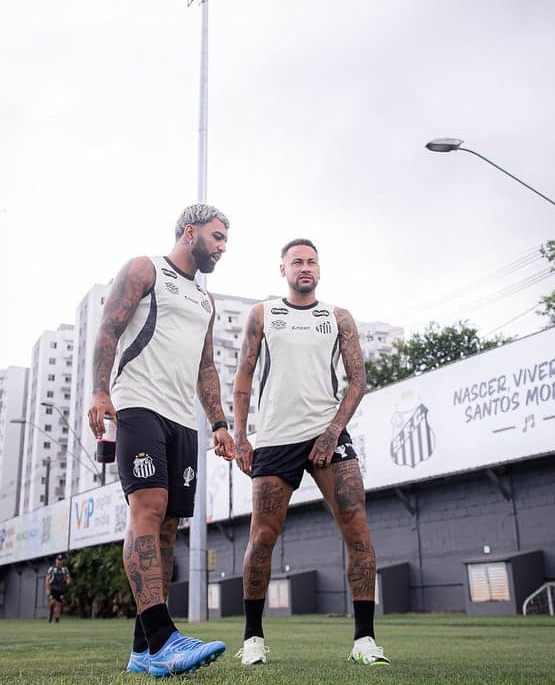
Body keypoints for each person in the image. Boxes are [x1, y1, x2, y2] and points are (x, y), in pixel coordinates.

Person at [87, 204, 236, 678]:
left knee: (168, 530)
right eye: (216, 237)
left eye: (225, 240)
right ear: (189, 232)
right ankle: (164, 636)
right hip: (137, 404)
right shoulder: (145, 269)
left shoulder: (204, 301)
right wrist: (100, 389)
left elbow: (206, 367)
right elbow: (109, 328)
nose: (221, 247)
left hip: (181, 421)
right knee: (146, 510)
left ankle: (143, 651)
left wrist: (218, 423)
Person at [233, 238, 390, 667]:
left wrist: (333, 430)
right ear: (282, 269)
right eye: (297, 262)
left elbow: (357, 380)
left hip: (327, 433)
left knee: (358, 531)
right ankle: (252, 639)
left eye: (312, 262)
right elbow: (243, 376)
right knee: (262, 537)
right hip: (274, 438)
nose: (305, 267)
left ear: (319, 269)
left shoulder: (338, 317)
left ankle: (364, 641)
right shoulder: (263, 314)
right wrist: (242, 436)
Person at [46, 554, 71, 623]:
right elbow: (47, 579)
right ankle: (51, 614)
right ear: (56, 560)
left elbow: (68, 577)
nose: (59, 562)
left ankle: (57, 618)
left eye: (61, 560)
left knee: (59, 603)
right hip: (53, 588)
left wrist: (68, 581)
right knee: (52, 602)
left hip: (61, 589)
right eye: (58, 560)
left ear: (62, 561)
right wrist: (47, 589)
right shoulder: (51, 568)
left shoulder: (64, 569)